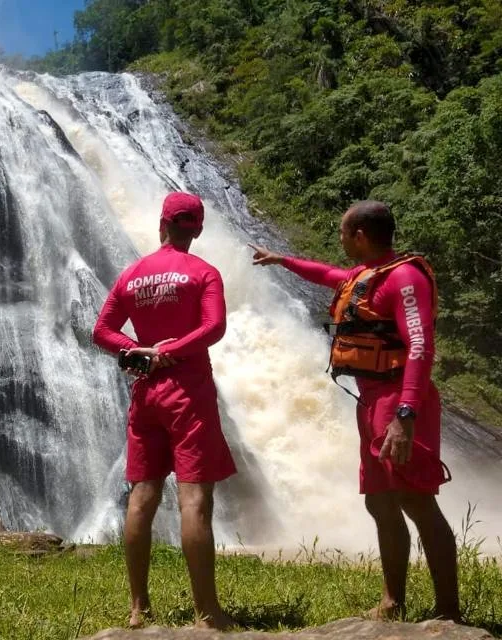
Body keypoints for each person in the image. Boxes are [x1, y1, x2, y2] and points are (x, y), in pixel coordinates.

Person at [249, 200, 459, 622]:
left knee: (416, 500)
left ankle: (449, 612)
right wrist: (282, 259)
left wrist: (405, 413)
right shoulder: (367, 275)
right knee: (380, 501)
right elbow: (329, 275)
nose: (341, 241)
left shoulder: (404, 277)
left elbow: (420, 345)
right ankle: (392, 601)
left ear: (359, 235)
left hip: (400, 398)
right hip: (370, 398)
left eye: (343, 234)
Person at [93, 191, 237, 630]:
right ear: (196, 228)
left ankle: (139, 609)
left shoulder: (132, 274)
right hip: (187, 391)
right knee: (195, 497)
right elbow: (214, 327)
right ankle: (207, 613)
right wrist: (172, 350)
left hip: (145, 393)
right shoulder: (204, 273)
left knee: (142, 495)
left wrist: (137, 350)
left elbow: (101, 330)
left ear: (162, 225)